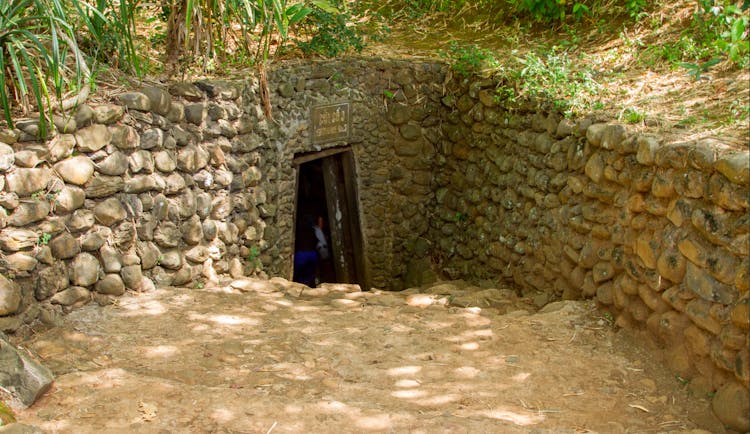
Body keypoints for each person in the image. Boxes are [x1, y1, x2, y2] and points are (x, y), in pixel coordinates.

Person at [293, 214, 328, 286]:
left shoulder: (296, 229)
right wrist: (325, 256)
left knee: (297, 277)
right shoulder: (315, 230)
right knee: (309, 276)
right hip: (312, 254)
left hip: (299, 255)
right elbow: (322, 244)